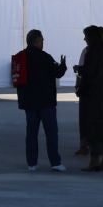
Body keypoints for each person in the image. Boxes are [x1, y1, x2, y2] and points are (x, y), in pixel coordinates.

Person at [13, 28, 68, 172]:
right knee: (51, 133)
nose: (43, 42)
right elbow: (58, 73)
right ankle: (55, 162)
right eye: (42, 40)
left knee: (31, 133)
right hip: (45, 102)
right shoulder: (45, 57)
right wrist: (63, 66)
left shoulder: (21, 56)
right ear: (37, 41)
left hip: (28, 102)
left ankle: (32, 163)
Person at [74, 25, 103, 171]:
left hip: (93, 95)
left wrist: (80, 87)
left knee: (93, 126)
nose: (85, 39)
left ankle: (95, 160)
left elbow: (89, 74)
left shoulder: (91, 52)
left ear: (92, 37)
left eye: (86, 36)